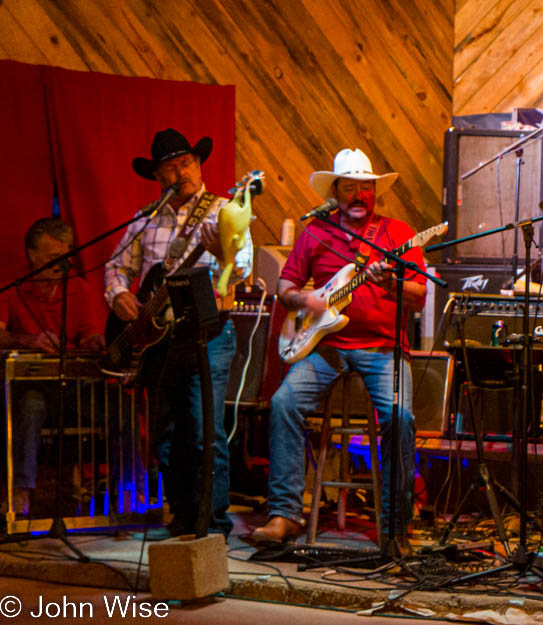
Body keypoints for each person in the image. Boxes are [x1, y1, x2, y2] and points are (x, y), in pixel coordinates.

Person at [251, 148, 426, 550]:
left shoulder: (397, 234)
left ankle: (396, 524)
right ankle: (284, 515)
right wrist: (306, 301)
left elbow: (418, 298)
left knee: (399, 416)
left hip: (383, 347)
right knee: (283, 404)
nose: (359, 196)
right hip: (325, 344)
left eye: (367, 188)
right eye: (351, 188)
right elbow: (285, 288)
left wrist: (388, 283)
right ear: (336, 192)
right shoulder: (315, 232)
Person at [104, 128, 252, 538]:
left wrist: (223, 253)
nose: (180, 172)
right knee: (167, 434)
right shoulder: (145, 218)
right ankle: (183, 516)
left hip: (208, 332)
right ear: (158, 177)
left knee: (206, 431)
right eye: (170, 167)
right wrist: (118, 295)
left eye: (186, 163)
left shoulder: (224, 211)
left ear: (199, 165)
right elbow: (116, 267)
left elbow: (243, 268)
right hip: (158, 339)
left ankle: (213, 523)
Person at [0, 217, 106, 516]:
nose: (60, 265)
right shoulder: (12, 288)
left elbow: (88, 334)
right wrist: (30, 340)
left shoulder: (78, 288)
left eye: (64, 257)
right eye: (51, 258)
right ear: (32, 256)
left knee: (118, 406)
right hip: (32, 387)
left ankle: (132, 488)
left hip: (72, 386)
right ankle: (20, 494)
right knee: (30, 407)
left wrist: (94, 341)